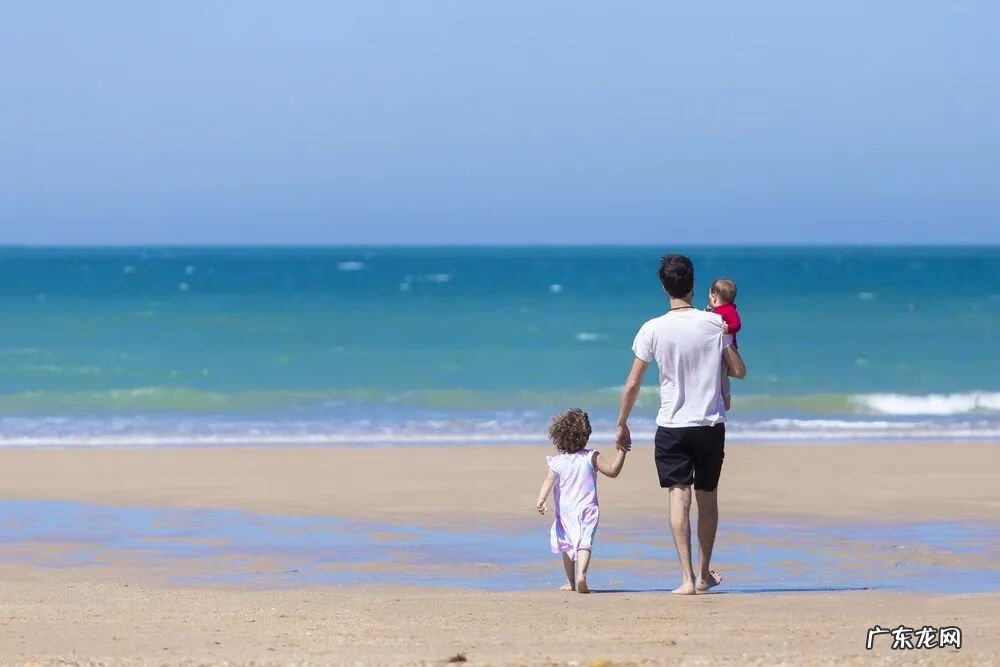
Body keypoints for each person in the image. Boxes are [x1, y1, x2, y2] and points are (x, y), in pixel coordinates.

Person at [615, 255, 746, 595]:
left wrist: (621, 423)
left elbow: (631, 384)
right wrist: (726, 343)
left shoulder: (652, 328)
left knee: (678, 495)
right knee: (707, 498)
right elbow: (738, 371)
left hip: (672, 425)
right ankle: (704, 575)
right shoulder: (716, 325)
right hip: (708, 423)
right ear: (693, 285)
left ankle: (686, 578)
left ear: (664, 287)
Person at [536, 408, 626, 594]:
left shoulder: (558, 461)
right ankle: (581, 575)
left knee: (567, 544)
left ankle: (570, 582)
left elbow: (548, 480)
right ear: (585, 435)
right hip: (588, 509)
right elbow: (613, 471)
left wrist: (541, 499)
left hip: (565, 511)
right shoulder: (591, 456)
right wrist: (622, 452)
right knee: (585, 542)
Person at [707, 278, 742, 411]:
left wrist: (729, 329)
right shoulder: (712, 311)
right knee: (717, 374)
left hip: (725, 350)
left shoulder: (729, 310)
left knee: (722, 375)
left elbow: (737, 324)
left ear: (715, 297)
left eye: (710, 296)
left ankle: (725, 397)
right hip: (716, 349)